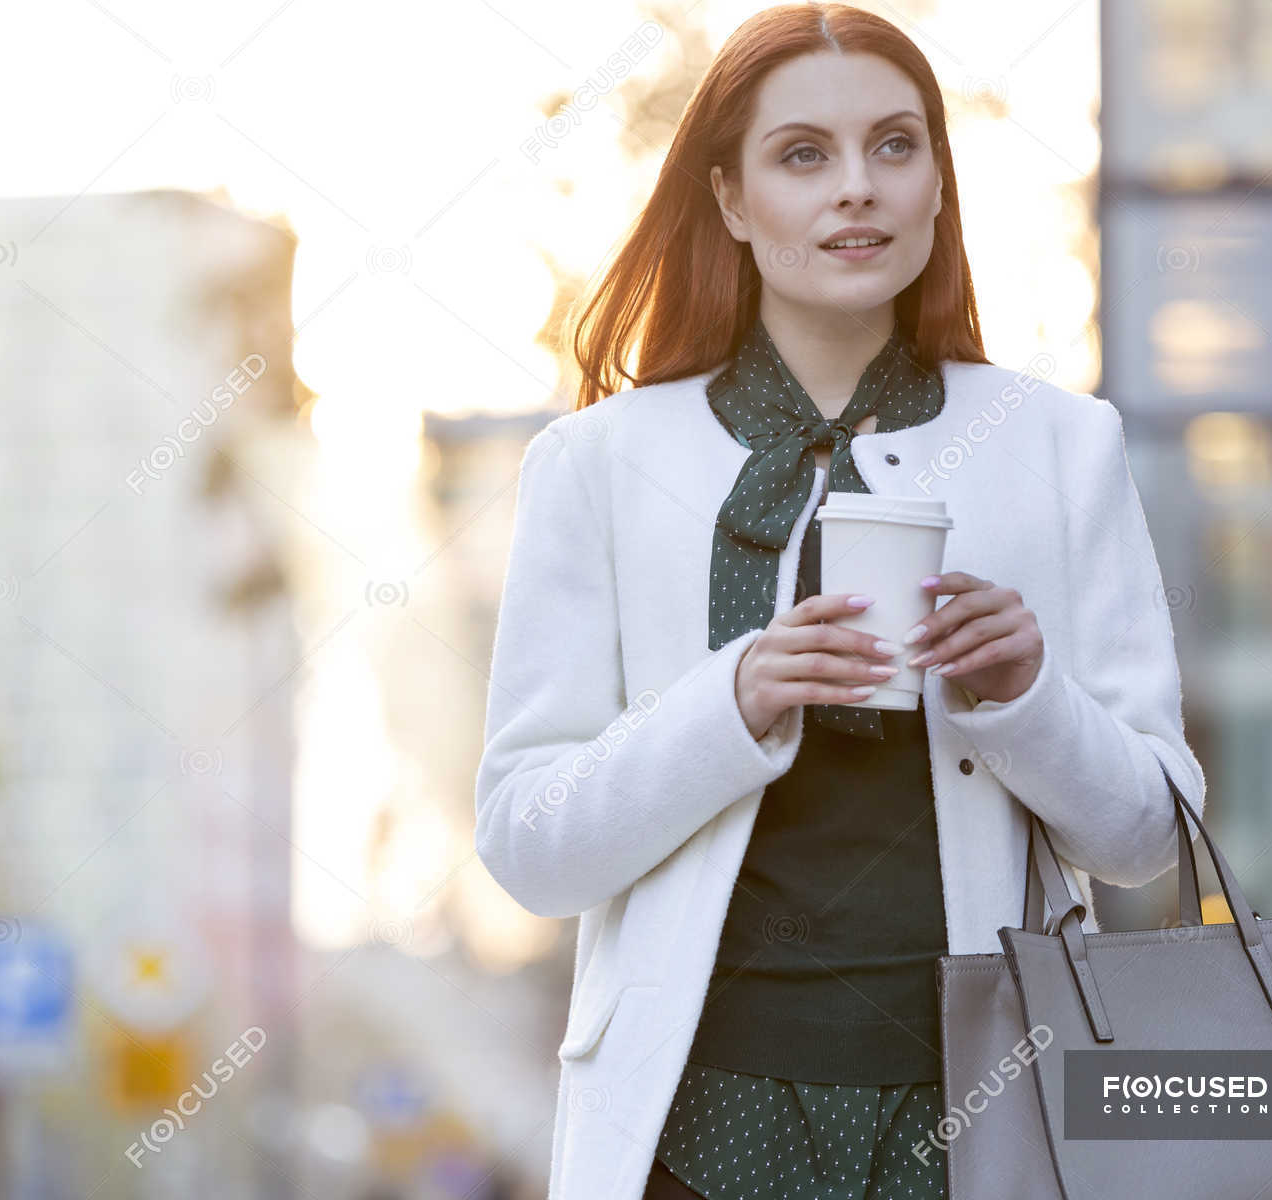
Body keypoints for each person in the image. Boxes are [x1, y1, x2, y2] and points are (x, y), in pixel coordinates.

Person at [474, 6, 1207, 1199]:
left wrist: (1029, 696)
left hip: (988, 1118)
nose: (856, 188)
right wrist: (736, 700)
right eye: (803, 154)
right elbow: (529, 846)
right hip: (693, 1119)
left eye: (895, 145)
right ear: (729, 199)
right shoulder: (595, 464)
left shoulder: (1063, 444)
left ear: (935, 185)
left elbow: (1145, 839)